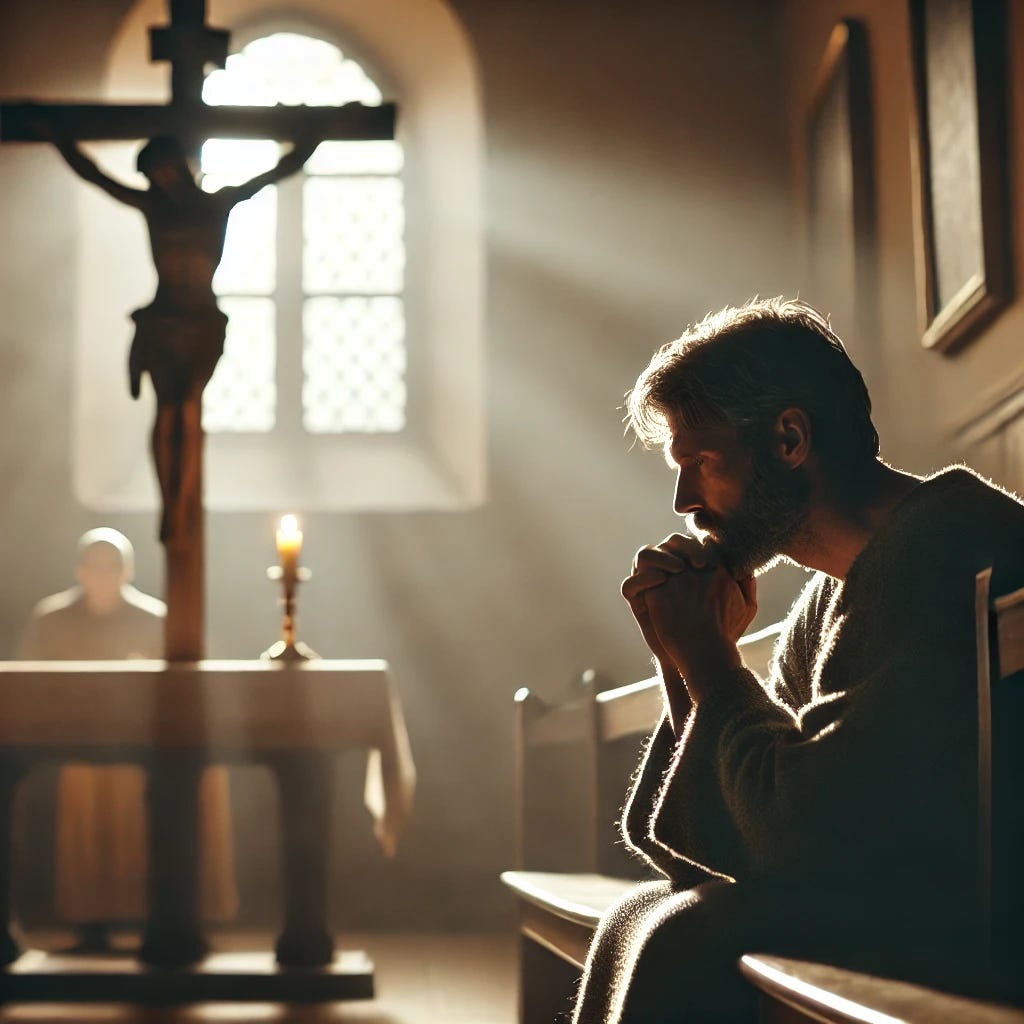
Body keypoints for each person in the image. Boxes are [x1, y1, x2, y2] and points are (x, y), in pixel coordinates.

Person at [572, 297, 1024, 1022]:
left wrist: (710, 659)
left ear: (788, 438)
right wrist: (684, 655)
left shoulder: (945, 544)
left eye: (700, 462)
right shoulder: (827, 596)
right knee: (638, 913)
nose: (685, 499)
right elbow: (726, 842)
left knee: (682, 934)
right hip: (898, 897)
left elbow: (810, 836)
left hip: (981, 925)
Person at [35, 120, 317, 541]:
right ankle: (171, 502)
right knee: (168, 413)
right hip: (163, 321)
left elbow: (274, 173)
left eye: (163, 171)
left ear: (179, 167)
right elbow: (95, 176)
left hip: (201, 322)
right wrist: (56, 134)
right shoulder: (153, 207)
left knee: (187, 410)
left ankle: (183, 499)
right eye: (152, 177)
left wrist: (314, 135)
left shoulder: (218, 203)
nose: (160, 181)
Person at [21, 528, 236, 952]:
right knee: (88, 820)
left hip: (149, 745)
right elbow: (32, 681)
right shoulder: (53, 619)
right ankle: (92, 922)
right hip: (79, 746)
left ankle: (167, 915)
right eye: (95, 565)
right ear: (80, 570)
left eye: (112, 565)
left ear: (128, 571)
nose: (103, 574)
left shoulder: (157, 619)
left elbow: (187, 684)